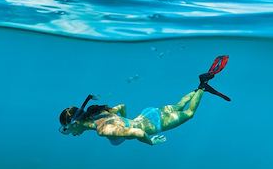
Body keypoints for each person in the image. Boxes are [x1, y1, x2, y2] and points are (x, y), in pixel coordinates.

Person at [59, 56, 231, 146]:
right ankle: (199, 87)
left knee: (189, 113)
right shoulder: (98, 114)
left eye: (66, 130)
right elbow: (121, 107)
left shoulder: (102, 129)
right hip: (147, 114)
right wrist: (127, 121)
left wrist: (150, 142)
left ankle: (202, 86)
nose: (70, 134)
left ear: (74, 123)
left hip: (153, 125)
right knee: (178, 105)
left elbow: (139, 133)